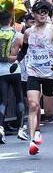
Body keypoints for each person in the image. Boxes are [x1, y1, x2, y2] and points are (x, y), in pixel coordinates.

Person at [18, 1, 53, 155]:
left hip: (49, 74)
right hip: (32, 72)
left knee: (48, 110)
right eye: (39, 12)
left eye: (45, 12)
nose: (42, 14)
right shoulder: (28, 32)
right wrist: (16, 61)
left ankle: (39, 127)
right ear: (33, 14)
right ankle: (33, 140)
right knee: (33, 105)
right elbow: (24, 51)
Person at [0, 10, 23, 144]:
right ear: (10, 20)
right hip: (15, 69)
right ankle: (20, 128)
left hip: (1, 71)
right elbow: (23, 52)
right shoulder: (18, 35)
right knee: (19, 98)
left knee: (3, 100)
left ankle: (0, 127)